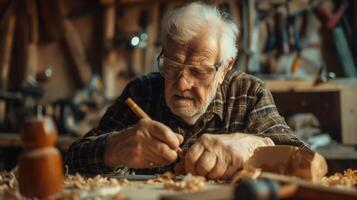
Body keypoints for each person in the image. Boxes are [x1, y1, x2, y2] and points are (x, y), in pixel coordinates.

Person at [66, 2, 306, 180]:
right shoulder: (141, 92)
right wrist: (114, 148)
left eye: (199, 72)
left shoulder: (249, 93)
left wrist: (252, 147)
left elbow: (306, 161)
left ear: (225, 68)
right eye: (172, 67)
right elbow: (73, 159)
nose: (181, 84)